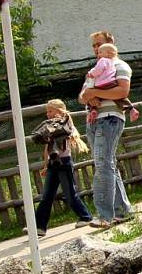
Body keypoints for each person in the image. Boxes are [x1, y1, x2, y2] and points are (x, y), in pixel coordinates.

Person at [79, 31, 134, 229]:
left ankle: (104, 215)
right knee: (107, 163)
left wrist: (95, 92)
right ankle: (123, 210)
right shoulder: (95, 69)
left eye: (99, 44)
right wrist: (89, 95)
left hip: (110, 119)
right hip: (93, 120)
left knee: (102, 165)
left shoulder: (119, 65)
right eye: (93, 45)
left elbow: (122, 91)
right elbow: (82, 96)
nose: (95, 49)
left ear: (110, 44)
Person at [25, 99, 93, 237]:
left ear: (59, 111)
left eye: (51, 111)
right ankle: (39, 227)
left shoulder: (66, 125)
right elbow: (47, 148)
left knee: (69, 193)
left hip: (64, 162)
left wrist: (64, 118)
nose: (48, 114)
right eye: (47, 112)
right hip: (52, 164)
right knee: (47, 196)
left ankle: (85, 216)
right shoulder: (49, 127)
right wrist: (45, 165)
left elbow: (72, 134)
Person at [83, 43, 139, 123]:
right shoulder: (111, 62)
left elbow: (98, 70)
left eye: (100, 52)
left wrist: (91, 73)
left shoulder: (103, 60)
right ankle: (131, 109)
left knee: (95, 98)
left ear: (109, 53)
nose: (98, 54)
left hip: (103, 84)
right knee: (119, 99)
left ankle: (93, 110)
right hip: (111, 83)